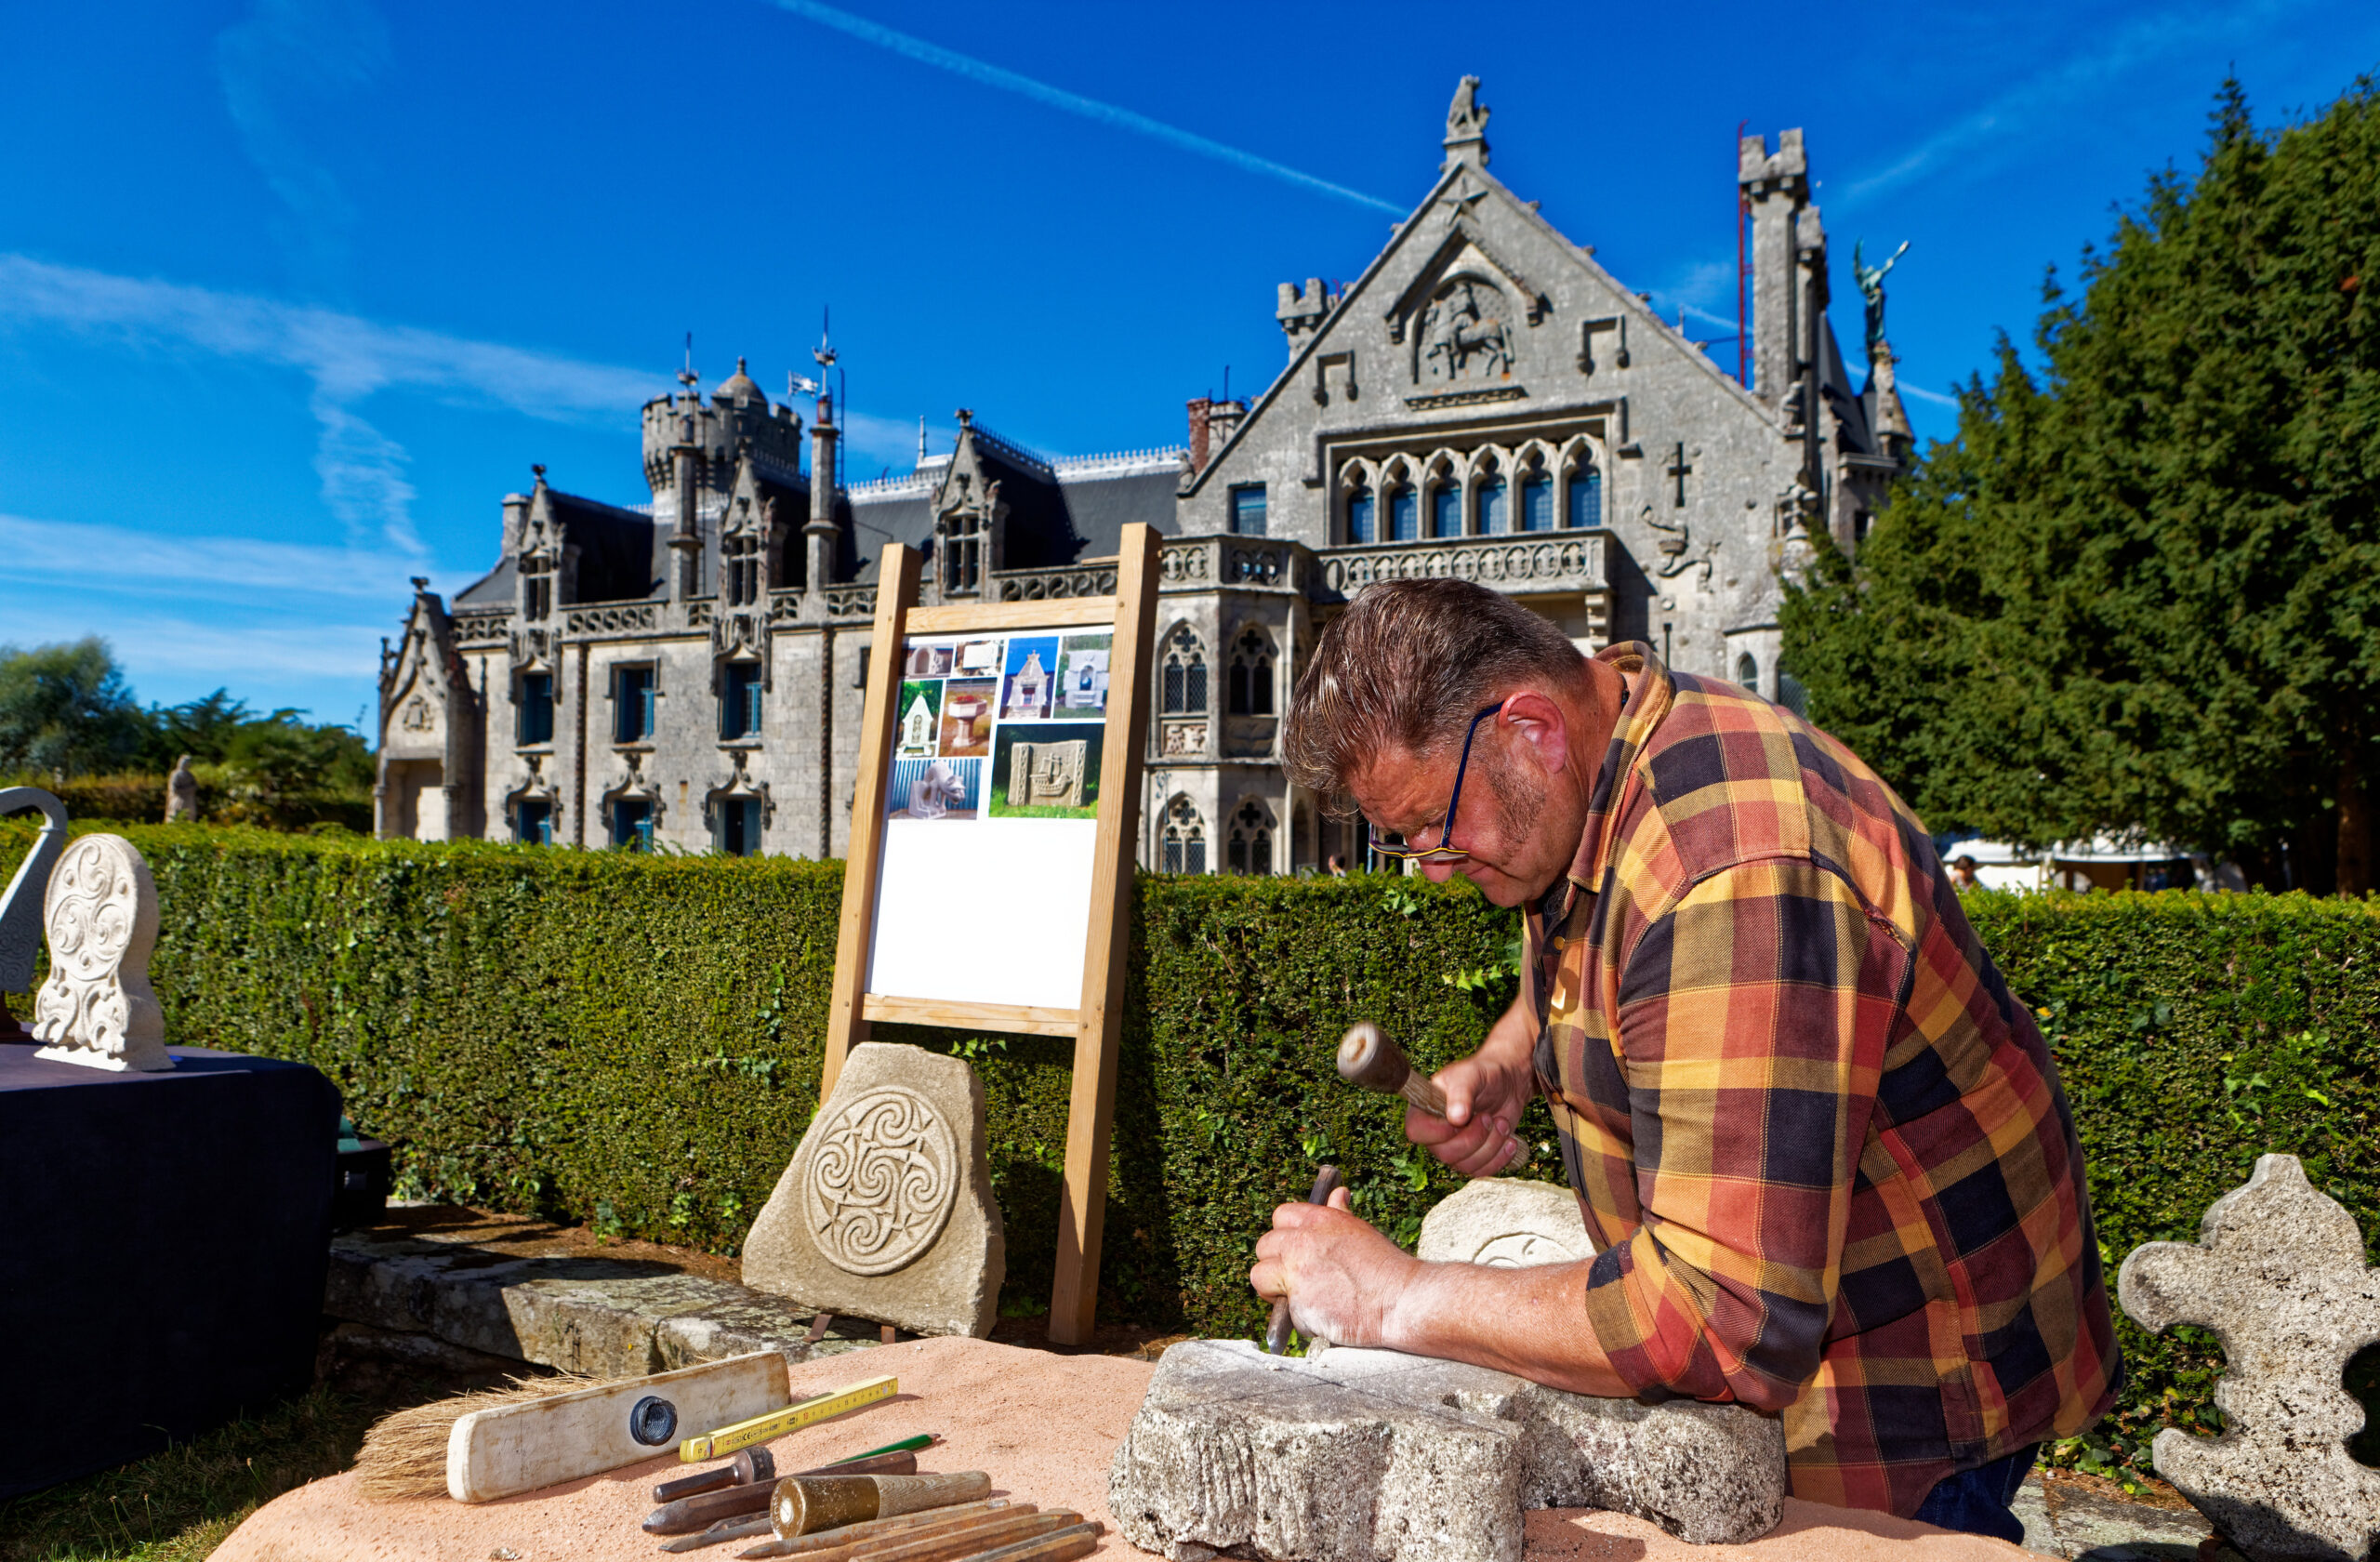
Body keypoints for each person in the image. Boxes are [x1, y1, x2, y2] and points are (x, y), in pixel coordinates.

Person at [1254, 580, 2118, 1541]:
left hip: (1909, 1392)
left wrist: (1393, 1297)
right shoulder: (1606, 752)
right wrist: (1512, 1058)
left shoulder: (1732, 873)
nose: (1430, 862)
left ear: (1528, 726)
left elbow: (1721, 1315)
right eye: (1401, 839)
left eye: (1431, 824)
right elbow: (1610, 943)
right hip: (1820, 1344)